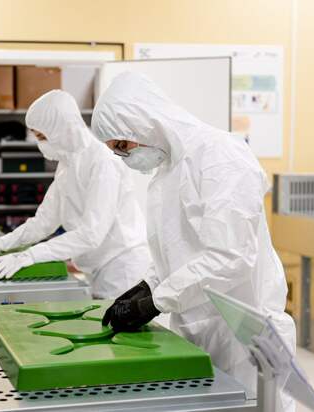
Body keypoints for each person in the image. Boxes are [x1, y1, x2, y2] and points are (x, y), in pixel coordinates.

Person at [92, 72, 296, 411]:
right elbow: (178, 250)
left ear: (144, 121)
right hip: (198, 328)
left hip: (244, 339)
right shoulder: (167, 172)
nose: (124, 158)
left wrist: (155, 301)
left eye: (123, 146)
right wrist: (147, 285)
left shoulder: (220, 157)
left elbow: (230, 257)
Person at [0, 89, 152, 299]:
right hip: (97, 267)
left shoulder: (103, 162)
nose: (40, 144)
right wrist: (2, 244)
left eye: (42, 137)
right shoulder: (67, 163)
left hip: (122, 267)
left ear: (61, 129)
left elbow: (91, 233)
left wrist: (32, 255)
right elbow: (44, 221)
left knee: (117, 319)